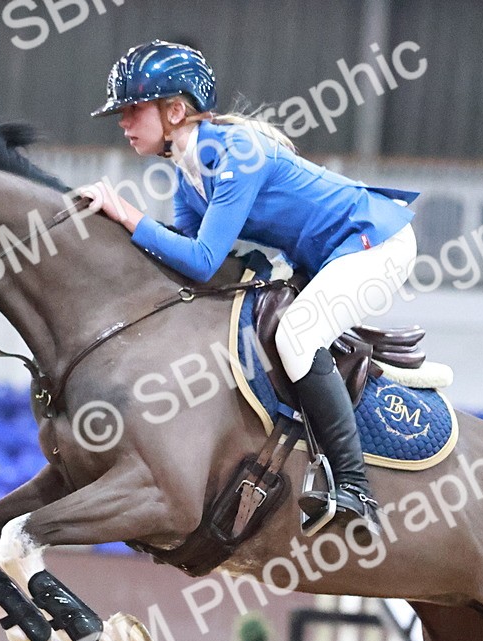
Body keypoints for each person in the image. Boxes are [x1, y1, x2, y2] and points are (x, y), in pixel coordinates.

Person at [79, 40, 420, 539]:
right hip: (327, 256)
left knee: (297, 336)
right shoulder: (189, 176)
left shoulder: (237, 153)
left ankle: (355, 488)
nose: (123, 122)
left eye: (134, 109)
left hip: (375, 242)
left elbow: (202, 259)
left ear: (175, 111)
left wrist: (129, 216)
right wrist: (115, 232)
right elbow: (189, 263)